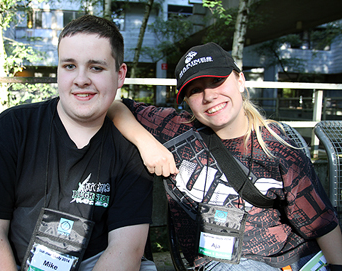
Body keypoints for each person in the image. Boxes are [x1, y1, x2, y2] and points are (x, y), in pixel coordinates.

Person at [108, 42, 342, 270]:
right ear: (187, 101)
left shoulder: (277, 144)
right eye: (195, 90)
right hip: (220, 262)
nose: (209, 96)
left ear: (240, 81)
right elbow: (114, 106)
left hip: (292, 257)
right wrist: (146, 143)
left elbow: (320, 220)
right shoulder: (176, 129)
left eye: (217, 81)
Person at [0, 15, 156, 271]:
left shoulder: (130, 150)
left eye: (96, 67)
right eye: (69, 66)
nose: (81, 79)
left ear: (119, 75)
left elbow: (126, 249)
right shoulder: (11, 129)